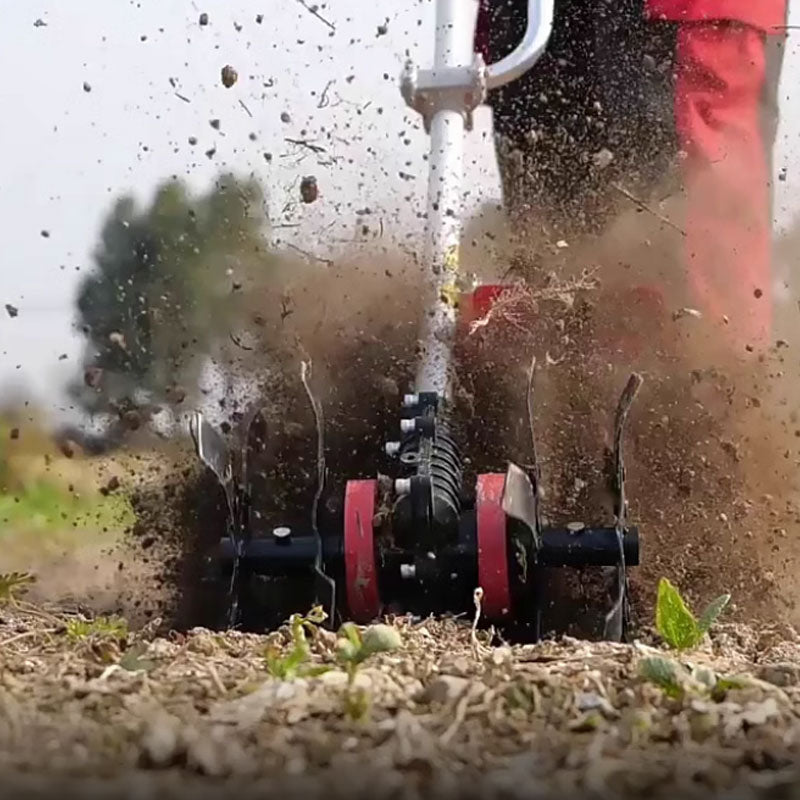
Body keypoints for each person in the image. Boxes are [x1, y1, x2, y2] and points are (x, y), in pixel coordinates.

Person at [476, 0, 788, 352]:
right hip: (536, 15)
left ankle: (716, 386)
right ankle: (556, 392)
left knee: (684, 245)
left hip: (677, 13)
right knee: (550, 254)